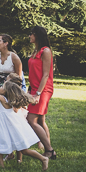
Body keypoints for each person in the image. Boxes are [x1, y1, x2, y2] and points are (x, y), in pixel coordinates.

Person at [0, 70, 49, 171]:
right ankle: (1, 167)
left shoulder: (4, 100)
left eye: (2, 87)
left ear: (6, 91)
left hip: (9, 127)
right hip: (2, 126)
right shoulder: (5, 98)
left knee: (24, 150)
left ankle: (43, 159)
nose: (0, 87)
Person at [26, 25, 58, 160]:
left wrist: (38, 94)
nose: (29, 36)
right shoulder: (35, 51)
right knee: (40, 119)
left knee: (31, 119)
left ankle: (50, 150)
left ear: (37, 35)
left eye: (32, 34)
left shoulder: (45, 51)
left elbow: (45, 75)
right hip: (34, 88)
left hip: (43, 89)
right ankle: (46, 147)